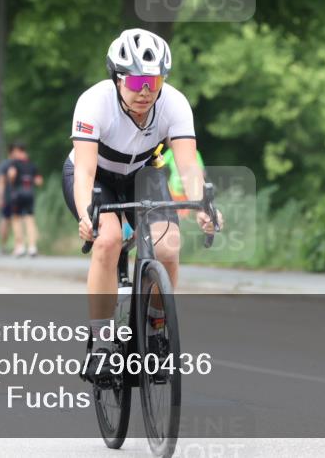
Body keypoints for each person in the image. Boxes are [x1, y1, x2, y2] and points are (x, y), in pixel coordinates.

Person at [62, 28, 220, 380]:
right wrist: (88, 214)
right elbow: (85, 170)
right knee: (108, 240)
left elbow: (188, 165)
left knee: (169, 245)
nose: (145, 92)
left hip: (142, 172)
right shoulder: (93, 102)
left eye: (154, 81)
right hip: (97, 176)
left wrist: (203, 207)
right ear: (117, 80)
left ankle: (156, 330)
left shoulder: (175, 103)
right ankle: (102, 346)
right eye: (135, 83)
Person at [7, 142, 44, 257]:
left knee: (16, 219)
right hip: (30, 193)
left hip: (18, 193)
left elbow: (11, 175)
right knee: (30, 220)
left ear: (18, 151)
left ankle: (20, 247)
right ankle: (32, 247)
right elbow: (39, 181)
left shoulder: (14, 163)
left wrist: (12, 182)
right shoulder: (32, 165)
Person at [162, 146, 204, 218]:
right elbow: (160, 163)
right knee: (173, 211)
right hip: (173, 188)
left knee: (184, 214)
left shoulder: (195, 153)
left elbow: (201, 171)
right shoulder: (172, 151)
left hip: (187, 189)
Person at [0, 143, 20, 255]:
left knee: (16, 220)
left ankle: (17, 246)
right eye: (16, 151)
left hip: (18, 197)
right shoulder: (6, 165)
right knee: (6, 221)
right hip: (8, 197)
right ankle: (3, 245)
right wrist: (0, 197)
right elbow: (1, 182)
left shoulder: (19, 164)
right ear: (11, 152)